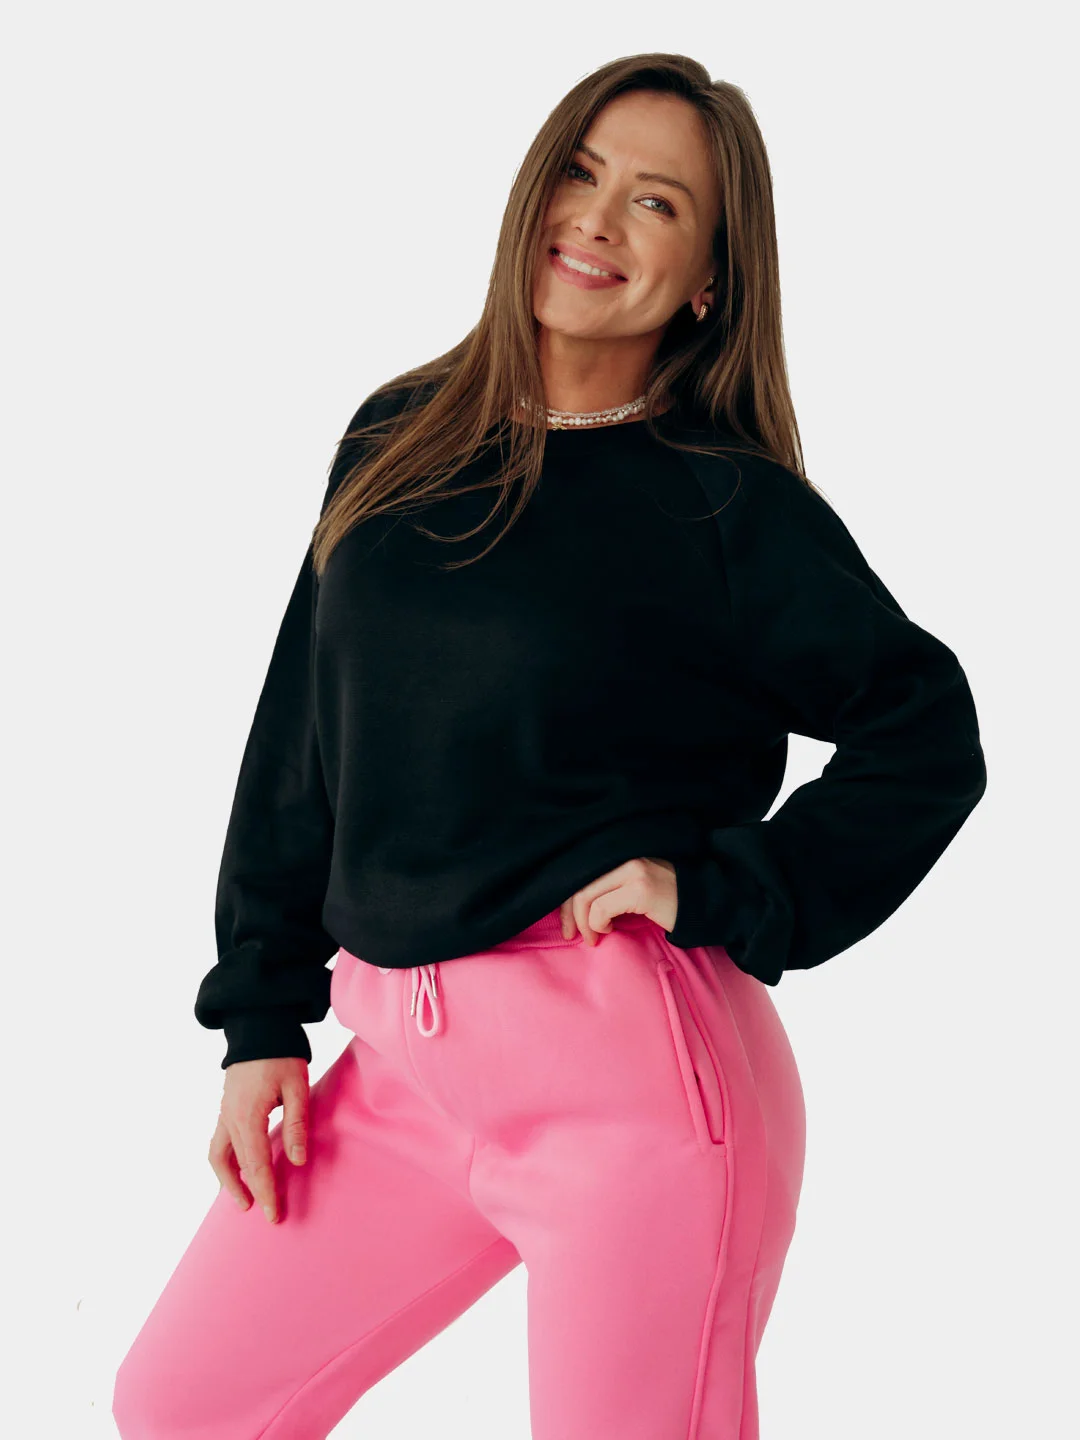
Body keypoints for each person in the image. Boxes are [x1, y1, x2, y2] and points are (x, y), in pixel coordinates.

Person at [112, 54, 987, 1440]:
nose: (597, 219)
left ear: (709, 279)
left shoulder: (725, 508)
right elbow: (303, 733)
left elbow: (926, 727)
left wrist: (728, 888)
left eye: (657, 203)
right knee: (183, 1405)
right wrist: (260, 1019)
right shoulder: (399, 437)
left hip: (634, 1099)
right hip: (401, 1073)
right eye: (583, 171)